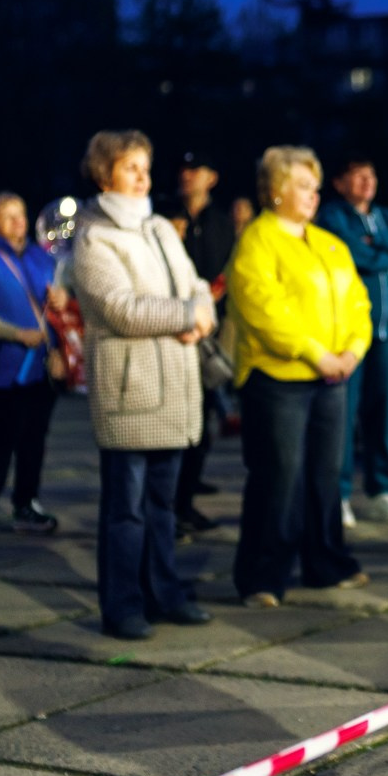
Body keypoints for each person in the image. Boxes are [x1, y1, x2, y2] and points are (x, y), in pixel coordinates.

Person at [69, 130, 214, 640]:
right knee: (125, 510)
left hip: (173, 383)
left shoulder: (159, 227)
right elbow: (119, 308)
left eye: (145, 167)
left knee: (163, 504)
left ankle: (165, 593)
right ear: (105, 173)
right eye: (131, 168)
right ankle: (123, 604)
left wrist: (201, 313)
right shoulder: (93, 235)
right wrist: (187, 315)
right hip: (131, 390)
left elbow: (197, 285)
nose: (142, 177)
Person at [226, 146, 371, 605]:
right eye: (303, 186)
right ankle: (262, 576)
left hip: (332, 377)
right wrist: (316, 354)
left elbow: (358, 304)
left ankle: (325, 563)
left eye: (314, 185)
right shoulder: (257, 240)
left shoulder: (330, 242)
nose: (314, 194)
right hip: (277, 379)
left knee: (325, 474)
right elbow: (264, 311)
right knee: (279, 476)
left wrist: (351, 350)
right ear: (275, 191)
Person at [316, 156, 388, 525]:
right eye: (357, 175)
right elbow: (350, 251)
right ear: (340, 182)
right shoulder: (333, 216)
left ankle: (382, 490)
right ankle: (339, 494)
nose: (366, 182)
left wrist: (377, 245)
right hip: (350, 334)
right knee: (344, 416)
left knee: (383, 414)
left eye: (371, 174)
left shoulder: (384, 216)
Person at [0, 192, 63, 541]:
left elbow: (56, 300)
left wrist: (62, 300)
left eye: (21, 213)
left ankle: (26, 502)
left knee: (35, 437)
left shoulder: (39, 256)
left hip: (41, 367)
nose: (19, 221)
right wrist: (16, 333)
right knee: (4, 435)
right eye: (8, 216)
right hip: (4, 367)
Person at [170, 152, 236, 533]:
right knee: (175, 418)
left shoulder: (220, 222)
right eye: (184, 169)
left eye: (195, 170)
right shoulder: (163, 216)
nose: (187, 176)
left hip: (207, 332)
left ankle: (186, 497)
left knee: (203, 414)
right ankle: (174, 500)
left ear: (211, 177)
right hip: (172, 327)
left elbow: (224, 274)